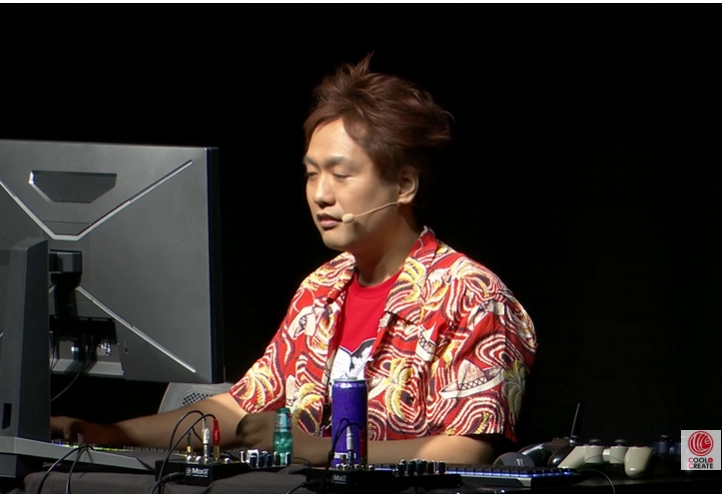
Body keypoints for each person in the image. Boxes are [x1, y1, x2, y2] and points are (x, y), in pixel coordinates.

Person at [52, 55, 537, 466]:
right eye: (311, 174)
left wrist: (311, 447)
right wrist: (110, 434)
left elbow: (469, 450)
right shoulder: (320, 290)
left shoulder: (470, 294)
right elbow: (238, 411)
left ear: (405, 184)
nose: (321, 194)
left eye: (341, 175)